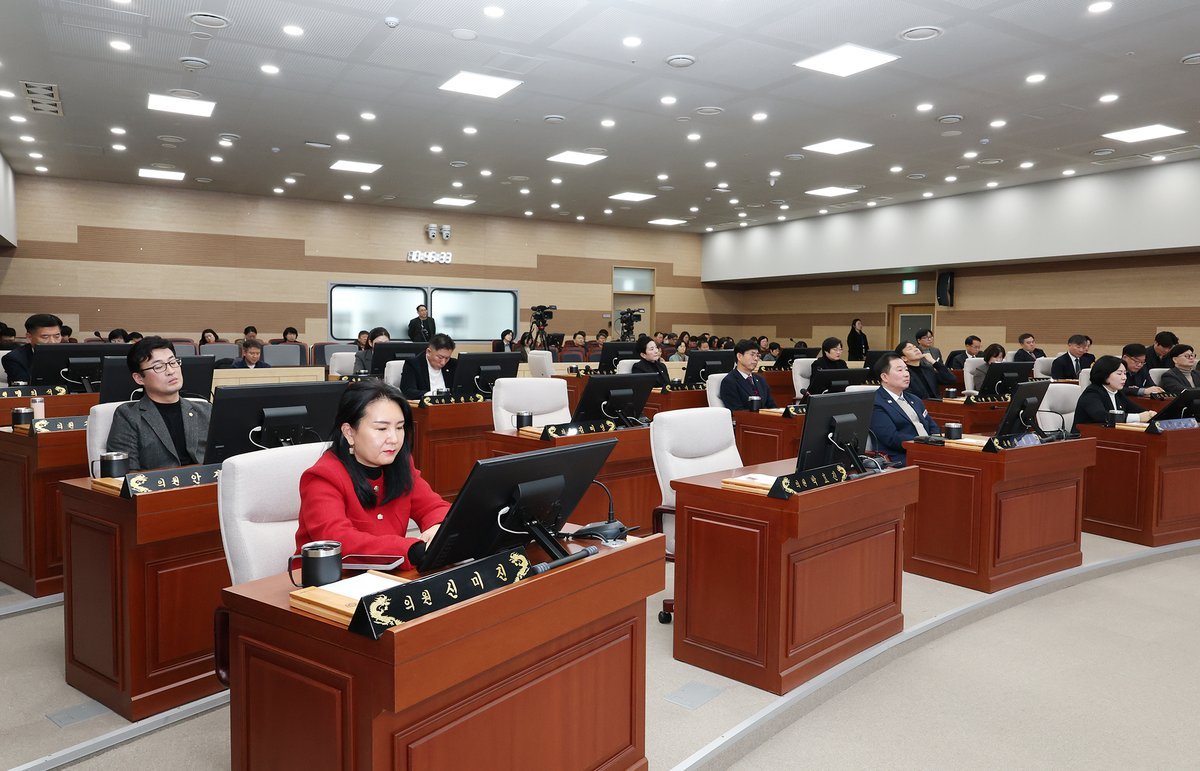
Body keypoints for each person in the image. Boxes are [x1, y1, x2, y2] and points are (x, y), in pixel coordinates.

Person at [295, 380, 447, 566]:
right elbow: (338, 541)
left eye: (399, 427)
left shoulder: (400, 465)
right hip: (329, 578)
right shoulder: (324, 477)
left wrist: (438, 528)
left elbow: (434, 507)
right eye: (382, 429)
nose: (394, 439)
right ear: (349, 433)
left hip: (386, 575)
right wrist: (411, 550)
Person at [106, 337, 212, 471]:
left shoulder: (206, 410)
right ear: (139, 378)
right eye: (159, 367)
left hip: (208, 481)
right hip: (158, 483)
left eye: (173, 362)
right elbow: (126, 472)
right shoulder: (128, 416)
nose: (171, 371)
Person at [870, 353, 941, 466]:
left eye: (906, 369)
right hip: (902, 457)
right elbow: (891, 438)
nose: (906, 374)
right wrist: (925, 442)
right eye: (900, 370)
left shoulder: (914, 399)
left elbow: (931, 425)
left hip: (928, 450)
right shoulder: (876, 402)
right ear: (884, 377)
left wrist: (937, 441)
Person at [1074, 355, 1155, 428]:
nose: (1124, 378)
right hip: (1086, 436)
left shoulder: (1117, 393)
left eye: (1125, 373)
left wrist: (1151, 414)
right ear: (1105, 375)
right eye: (1119, 374)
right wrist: (1138, 417)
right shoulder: (1092, 393)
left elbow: (1137, 409)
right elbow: (1102, 416)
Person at [3, 313, 63, 384]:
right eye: (45, 337)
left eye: (57, 336)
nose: (52, 342)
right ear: (29, 337)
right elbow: (22, 388)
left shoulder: (69, 353)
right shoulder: (14, 359)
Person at [718, 339, 776, 411]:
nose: (756, 359)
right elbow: (736, 411)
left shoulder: (761, 380)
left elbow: (772, 406)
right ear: (739, 356)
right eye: (752, 355)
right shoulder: (729, 382)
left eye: (757, 355)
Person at [400, 333, 458, 399]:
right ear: (428, 352)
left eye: (447, 358)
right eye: (440, 357)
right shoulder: (413, 364)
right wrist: (431, 395)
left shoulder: (453, 364)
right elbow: (408, 391)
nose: (443, 362)